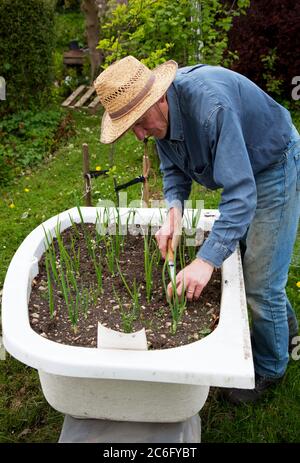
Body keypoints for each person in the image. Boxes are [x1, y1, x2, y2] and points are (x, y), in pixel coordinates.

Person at [94, 55, 300, 404]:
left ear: (159, 97)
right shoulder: (159, 116)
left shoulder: (210, 108)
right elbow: (172, 166)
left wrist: (206, 262)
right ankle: (287, 331)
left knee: (261, 280)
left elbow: (240, 193)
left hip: (271, 162)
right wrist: (173, 209)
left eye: (141, 122)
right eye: (133, 130)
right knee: (258, 269)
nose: (141, 134)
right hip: (246, 168)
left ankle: (269, 369)